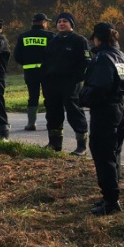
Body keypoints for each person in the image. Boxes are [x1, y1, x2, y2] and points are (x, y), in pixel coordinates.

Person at [80, 22, 124, 215]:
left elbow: (99, 87)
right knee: (114, 153)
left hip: (104, 110)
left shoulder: (103, 58)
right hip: (120, 107)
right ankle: (111, 196)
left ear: (98, 39)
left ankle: (111, 202)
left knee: (103, 154)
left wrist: (82, 97)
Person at [41, 12, 92, 155]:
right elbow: (45, 63)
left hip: (71, 83)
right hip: (52, 84)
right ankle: (54, 144)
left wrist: (76, 78)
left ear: (71, 24)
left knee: (74, 111)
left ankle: (81, 146)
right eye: (59, 22)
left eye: (65, 21)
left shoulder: (79, 40)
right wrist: (45, 80)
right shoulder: (52, 41)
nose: (61, 24)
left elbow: (86, 61)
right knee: (53, 112)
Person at [13, 13, 54, 131]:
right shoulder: (50, 36)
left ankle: (31, 123)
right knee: (49, 96)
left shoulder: (23, 36)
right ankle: (51, 122)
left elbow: (17, 56)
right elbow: (55, 53)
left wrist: (26, 63)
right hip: (47, 72)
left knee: (33, 96)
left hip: (30, 71)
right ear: (43, 23)